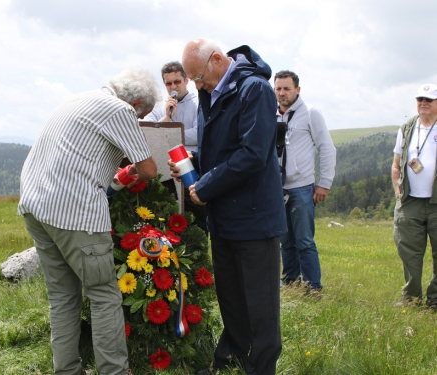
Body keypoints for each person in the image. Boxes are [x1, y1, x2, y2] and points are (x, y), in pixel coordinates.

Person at [18, 68, 161, 375]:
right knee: (103, 295)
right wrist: (131, 172)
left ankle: (67, 370)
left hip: (35, 204)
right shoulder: (121, 110)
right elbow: (148, 169)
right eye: (142, 116)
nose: (137, 120)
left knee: (62, 297)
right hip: (75, 212)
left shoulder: (78, 99)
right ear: (136, 103)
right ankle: (114, 372)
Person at [169, 39, 287, 375]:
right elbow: (219, 151)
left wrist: (205, 185)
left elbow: (252, 154)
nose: (196, 85)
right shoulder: (211, 92)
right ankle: (231, 360)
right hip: (223, 217)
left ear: (218, 60)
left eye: (197, 77)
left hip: (254, 218)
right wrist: (192, 163)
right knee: (232, 299)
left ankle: (261, 368)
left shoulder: (255, 90)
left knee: (261, 306)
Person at [274, 70, 336, 291]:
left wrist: (324, 183)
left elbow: (327, 149)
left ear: (297, 90)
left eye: (287, 88)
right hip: (277, 188)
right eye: (278, 88)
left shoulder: (310, 113)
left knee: (305, 242)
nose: (282, 93)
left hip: (302, 188)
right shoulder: (270, 114)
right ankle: (290, 283)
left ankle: (313, 287)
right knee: (285, 242)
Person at [143, 61, 207, 232]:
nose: (173, 86)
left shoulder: (199, 103)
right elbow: (148, 132)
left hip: (192, 163)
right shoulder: (159, 106)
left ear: (186, 80)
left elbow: (200, 133)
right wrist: (167, 118)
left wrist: (169, 133)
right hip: (166, 166)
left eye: (177, 81)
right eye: (168, 83)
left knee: (195, 211)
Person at [392, 83, 437, 308]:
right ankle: (412, 298)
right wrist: (398, 191)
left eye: (429, 99)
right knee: (409, 253)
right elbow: (396, 165)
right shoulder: (407, 128)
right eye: (420, 99)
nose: (424, 103)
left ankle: (435, 300)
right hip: (410, 202)